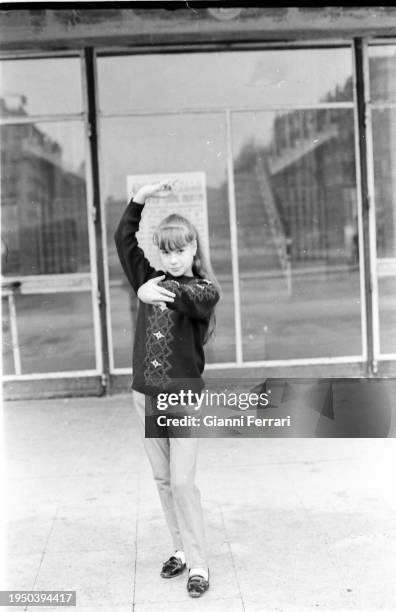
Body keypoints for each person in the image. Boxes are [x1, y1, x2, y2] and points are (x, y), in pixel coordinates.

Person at [114, 179, 220, 598]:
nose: (174, 258)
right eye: (167, 251)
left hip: (182, 399)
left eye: (181, 250)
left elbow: (189, 299)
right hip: (145, 396)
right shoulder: (151, 277)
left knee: (181, 482)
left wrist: (147, 291)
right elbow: (125, 240)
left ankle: (199, 563)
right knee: (161, 479)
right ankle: (179, 547)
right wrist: (140, 197)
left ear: (193, 249)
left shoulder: (204, 290)